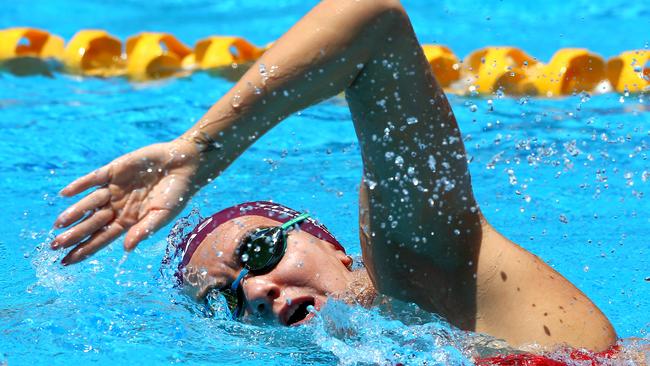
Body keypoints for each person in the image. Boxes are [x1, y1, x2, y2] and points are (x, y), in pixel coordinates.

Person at [51, 0, 618, 356]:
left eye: (261, 250)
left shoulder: (419, 269)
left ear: (331, 243)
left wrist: (199, 151)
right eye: (222, 302)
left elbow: (373, 25)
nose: (252, 291)